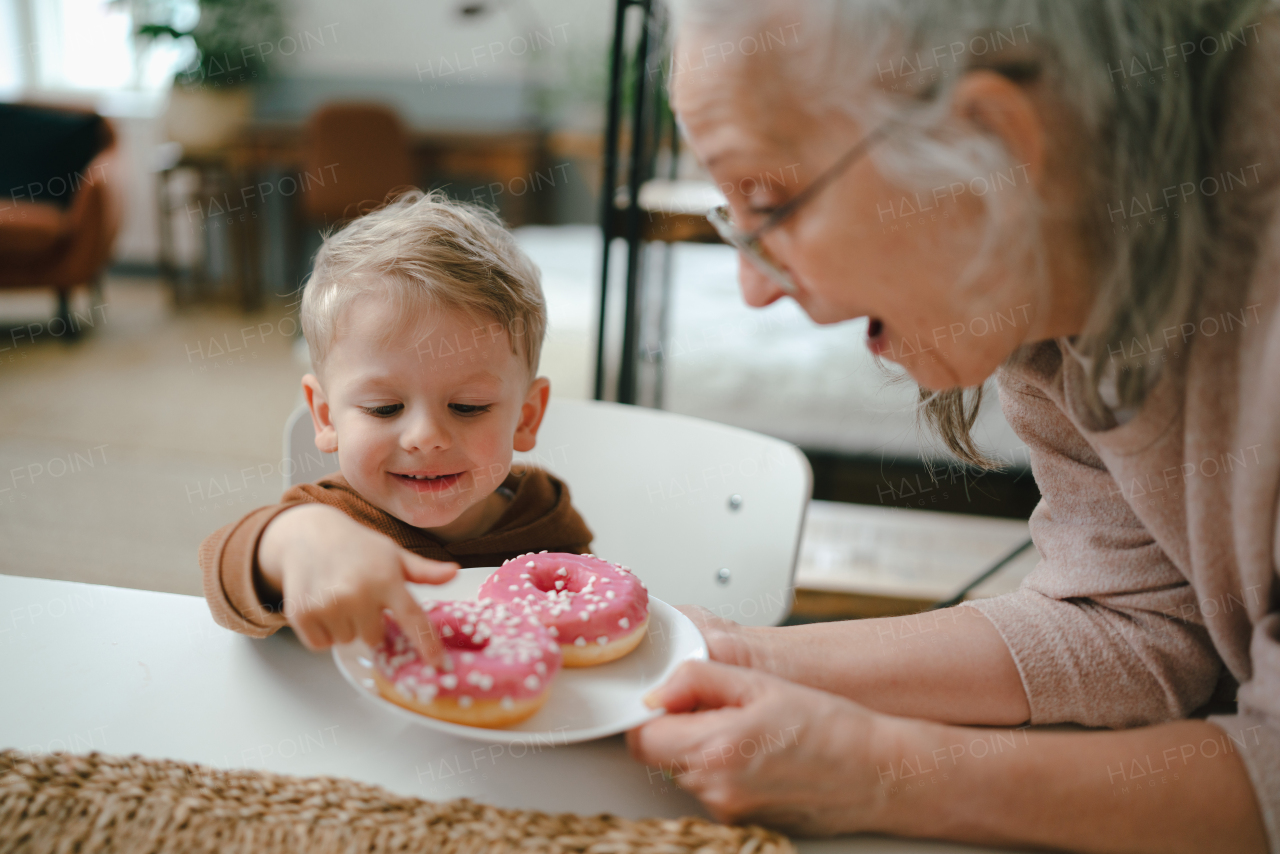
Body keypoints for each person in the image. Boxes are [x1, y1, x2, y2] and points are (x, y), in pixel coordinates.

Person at [628, 2, 1280, 851]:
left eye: (770, 199)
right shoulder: (1044, 271)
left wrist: (878, 771)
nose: (754, 289)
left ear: (996, 145)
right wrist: (740, 657)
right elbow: (1138, 618)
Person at [198, 191, 593, 666]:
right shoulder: (330, 520)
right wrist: (292, 540)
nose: (425, 436)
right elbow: (223, 584)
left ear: (526, 418)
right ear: (326, 417)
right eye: (384, 408)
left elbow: (587, 627)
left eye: (468, 407)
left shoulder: (542, 516)